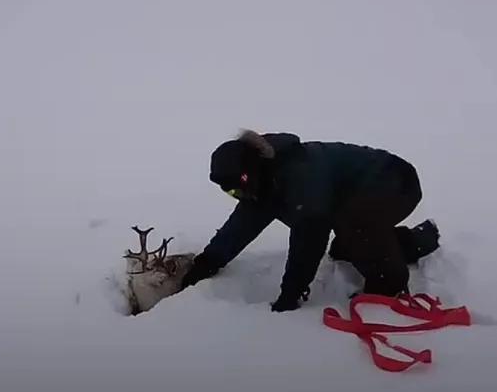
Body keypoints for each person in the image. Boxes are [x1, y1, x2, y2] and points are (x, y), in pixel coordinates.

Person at [180, 129, 440, 312]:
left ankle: (389, 286)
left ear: (253, 168)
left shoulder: (298, 174)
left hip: (395, 181)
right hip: (364, 192)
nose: (238, 194)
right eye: (230, 191)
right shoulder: (261, 182)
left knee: (355, 228)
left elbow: (309, 239)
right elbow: (240, 226)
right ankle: (414, 242)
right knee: (345, 247)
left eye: (240, 186)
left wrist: (291, 294)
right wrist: (208, 262)